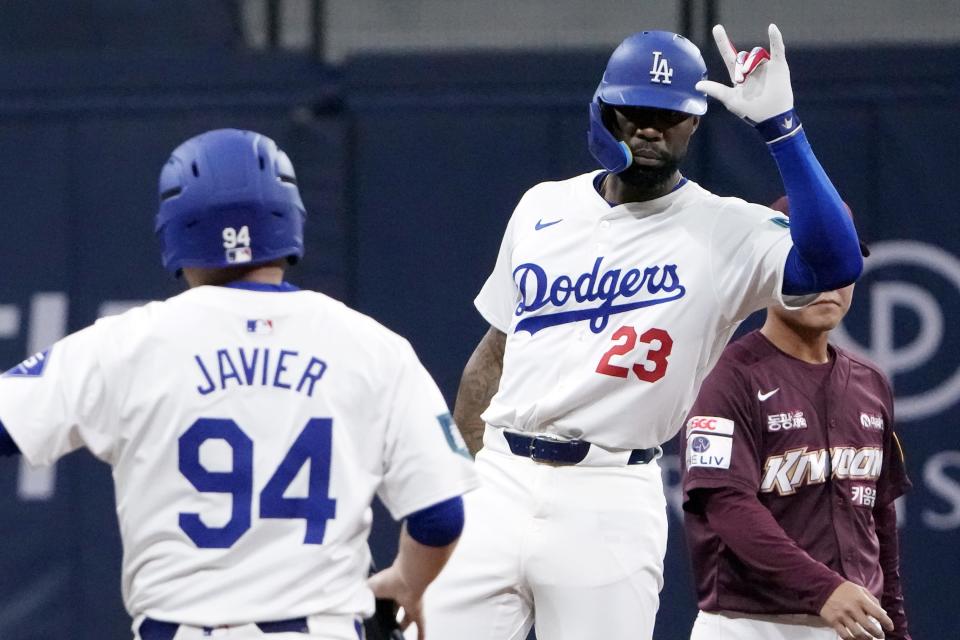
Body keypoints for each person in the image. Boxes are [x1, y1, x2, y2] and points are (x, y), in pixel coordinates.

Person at [417, 24, 867, 640]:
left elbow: (835, 263)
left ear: (695, 124)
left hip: (610, 492)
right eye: (635, 111)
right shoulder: (541, 206)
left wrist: (782, 129)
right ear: (604, 111)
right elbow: (491, 356)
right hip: (500, 476)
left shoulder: (724, 229)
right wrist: (470, 487)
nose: (650, 128)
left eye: (669, 114)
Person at [0, 129, 477, 640]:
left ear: (176, 230)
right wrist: (407, 581)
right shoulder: (373, 347)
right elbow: (439, 516)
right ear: (288, 218)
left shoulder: (127, 342)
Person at [681, 196, 908, 640]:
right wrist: (825, 589)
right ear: (769, 269)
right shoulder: (726, 377)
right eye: (808, 262)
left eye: (838, 261)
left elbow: (880, 521)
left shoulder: (871, 382)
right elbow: (727, 506)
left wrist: (897, 630)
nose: (827, 280)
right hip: (752, 625)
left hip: (855, 624)